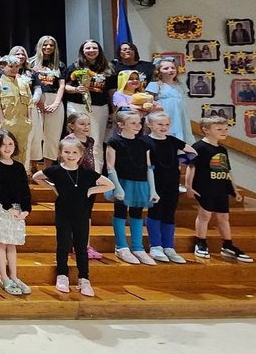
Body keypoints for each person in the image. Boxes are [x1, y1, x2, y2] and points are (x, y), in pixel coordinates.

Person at [33, 138, 114, 297]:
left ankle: (84, 278)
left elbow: (109, 184)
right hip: (63, 214)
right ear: (61, 153)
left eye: (74, 152)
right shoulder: (55, 171)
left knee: (81, 247)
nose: (70, 155)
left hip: (81, 214)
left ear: (81, 154)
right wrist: (52, 187)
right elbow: (37, 176)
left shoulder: (86, 173)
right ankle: (62, 276)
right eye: (67, 152)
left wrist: (91, 191)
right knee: (63, 245)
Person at [188, 117, 250, 262]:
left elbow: (227, 170)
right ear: (206, 130)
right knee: (205, 215)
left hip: (220, 188)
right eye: (219, 129)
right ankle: (200, 242)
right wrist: (189, 186)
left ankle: (227, 245)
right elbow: (192, 167)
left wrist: (234, 189)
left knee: (223, 217)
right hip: (205, 187)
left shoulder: (222, 149)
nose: (224, 132)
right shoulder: (199, 147)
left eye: (226, 129)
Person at [106, 110, 159, 265]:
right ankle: (121, 246)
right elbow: (110, 166)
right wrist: (117, 187)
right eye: (133, 123)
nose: (137, 126)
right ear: (121, 125)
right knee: (121, 211)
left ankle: (137, 247)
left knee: (137, 213)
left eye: (139, 122)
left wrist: (153, 189)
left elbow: (149, 167)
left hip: (141, 183)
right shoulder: (114, 142)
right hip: (122, 181)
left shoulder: (144, 142)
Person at [143, 111, 195, 263]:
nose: (164, 127)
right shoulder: (145, 141)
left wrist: (177, 161)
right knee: (155, 212)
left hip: (172, 183)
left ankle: (169, 247)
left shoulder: (172, 140)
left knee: (169, 213)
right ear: (149, 124)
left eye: (166, 124)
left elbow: (193, 153)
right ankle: (155, 246)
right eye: (160, 124)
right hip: (154, 182)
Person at [0, 130, 32, 296]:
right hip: (1, 208)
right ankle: (3, 276)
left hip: (17, 209)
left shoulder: (19, 167)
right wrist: (9, 208)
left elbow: (25, 190)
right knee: (1, 243)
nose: (7, 147)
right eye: (3, 144)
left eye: (10, 144)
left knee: (12, 244)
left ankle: (14, 275)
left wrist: (26, 209)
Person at [63, 39, 116, 171]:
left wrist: (114, 111)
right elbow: (65, 87)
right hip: (77, 106)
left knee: (96, 141)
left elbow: (111, 91)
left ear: (99, 51)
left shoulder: (107, 68)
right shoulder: (75, 67)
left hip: (100, 107)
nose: (91, 51)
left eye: (94, 48)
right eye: (88, 48)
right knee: (76, 139)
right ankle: (74, 170)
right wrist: (76, 89)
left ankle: (95, 173)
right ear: (82, 51)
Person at [63, 110, 104, 261]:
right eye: (82, 124)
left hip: (88, 179)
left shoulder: (90, 140)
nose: (86, 127)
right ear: (71, 126)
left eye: (88, 124)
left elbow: (90, 159)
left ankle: (84, 244)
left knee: (87, 214)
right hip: (74, 180)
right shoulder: (69, 141)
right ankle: (71, 243)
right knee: (74, 214)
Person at [0, 55, 38, 169]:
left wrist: (30, 120)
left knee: (21, 151)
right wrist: (2, 123)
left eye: (17, 66)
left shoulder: (24, 83)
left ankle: (19, 176)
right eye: (10, 66)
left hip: (23, 124)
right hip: (7, 124)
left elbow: (30, 103)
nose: (14, 69)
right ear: (2, 67)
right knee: (4, 151)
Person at [29, 35, 66, 167]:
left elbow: (62, 85)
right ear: (40, 46)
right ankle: (32, 168)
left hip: (54, 99)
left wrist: (56, 103)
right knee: (35, 135)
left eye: (51, 45)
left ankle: (48, 170)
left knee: (52, 136)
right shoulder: (31, 64)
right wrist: (39, 102)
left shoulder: (59, 65)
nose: (48, 47)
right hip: (35, 100)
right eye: (45, 45)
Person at [145, 56, 191, 143]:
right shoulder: (155, 85)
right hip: (164, 114)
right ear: (159, 71)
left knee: (180, 131)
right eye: (166, 68)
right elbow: (148, 101)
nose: (170, 70)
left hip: (179, 114)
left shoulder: (180, 85)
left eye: (173, 68)